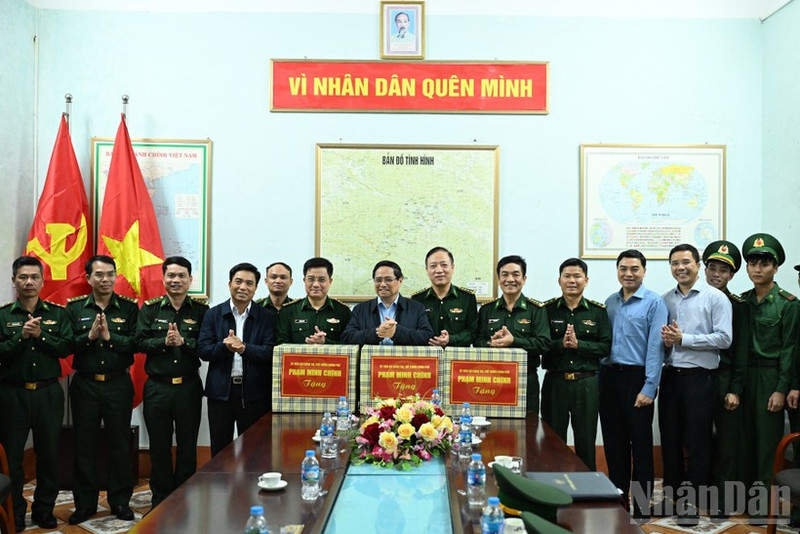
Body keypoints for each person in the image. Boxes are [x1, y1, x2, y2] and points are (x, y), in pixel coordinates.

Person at [659, 244, 732, 524]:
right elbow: (664, 342)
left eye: (686, 262)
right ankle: (673, 496)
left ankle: (695, 500)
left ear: (698, 265)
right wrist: (667, 343)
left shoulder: (715, 298)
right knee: (670, 438)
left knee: (698, 441)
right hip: (671, 378)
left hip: (700, 379)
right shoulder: (666, 300)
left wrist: (684, 339)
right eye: (675, 263)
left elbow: (724, 339)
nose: (681, 267)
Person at [66, 255, 139, 524]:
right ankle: (85, 504)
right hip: (85, 384)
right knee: (84, 443)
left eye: (110, 274)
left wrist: (110, 337)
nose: (105, 279)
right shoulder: (74, 308)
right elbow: (67, 344)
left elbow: (135, 342)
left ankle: (120, 501)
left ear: (116, 276)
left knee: (119, 443)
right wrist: (89, 337)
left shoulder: (129, 308)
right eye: (99, 274)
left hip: (118, 383)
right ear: (88, 278)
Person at [0, 256, 71, 531]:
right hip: (11, 394)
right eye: (23, 277)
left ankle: (44, 510)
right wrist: (21, 337)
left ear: (42, 280)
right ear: (14, 281)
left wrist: (40, 335)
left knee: (49, 455)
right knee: (13, 458)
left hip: (48, 393)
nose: (29, 282)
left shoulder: (57, 313)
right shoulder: (3, 315)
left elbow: (66, 348)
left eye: (34, 277)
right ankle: (15, 511)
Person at [599, 249, 667, 519]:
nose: (628, 273)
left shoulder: (654, 303)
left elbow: (656, 347)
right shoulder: (609, 302)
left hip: (637, 379)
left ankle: (640, 507)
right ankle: (619, 504)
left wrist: (650, 387)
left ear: (644, 271)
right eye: (623, 268)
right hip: (609, 377)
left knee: (640, 446)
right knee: (614, 446)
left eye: (634, 269)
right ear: (617, 271)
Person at [136, 256, 208, 508]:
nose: (176, 280)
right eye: (171, 276)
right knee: (159, 446)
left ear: (190, 279)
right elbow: (139, 342)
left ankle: (185, 498)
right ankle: (161, 500)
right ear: (163, 278)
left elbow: (206, 347)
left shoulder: (201, 311)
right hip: (158, 387)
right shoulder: (150, 309)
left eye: (181, 276)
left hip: (188, 386)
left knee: (187, 445)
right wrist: (163, 343)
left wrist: (184, 343)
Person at [738, 234, 799, 507]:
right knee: (744, 441)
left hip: (770, 378)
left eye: (764, 263)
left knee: (767, 446)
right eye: (752, 263)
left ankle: (763, 506)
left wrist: (780, 388)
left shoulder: (788, 304)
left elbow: (789, 350)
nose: (757, 269)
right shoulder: (742, 301)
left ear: (775, 268)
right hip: (744, 378)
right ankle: (745, 499)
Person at [198, 262, 277, 456]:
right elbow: (203, 350)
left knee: (254, 451)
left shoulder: (266, 317)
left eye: (249, 283)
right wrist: (224, 346)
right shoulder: (213, 314)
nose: (243, 287)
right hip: (221, 394)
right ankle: (222, 486)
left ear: (256, 288)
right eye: (238, 282)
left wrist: (244, 348)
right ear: (229, 284)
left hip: (254, 394)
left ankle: (250, 487)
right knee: (220, 449)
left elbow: (270, 353)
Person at [541, 258, 610, 470]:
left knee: (586, 441)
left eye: (577, 276)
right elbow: (540, 344)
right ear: (559, 280)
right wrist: (561, 344)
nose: (572, 280)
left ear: (586, 280)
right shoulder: (546, 310)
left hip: (586, 384)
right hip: (556, 383)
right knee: (553, 441)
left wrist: (579, 345)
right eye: (567, 276)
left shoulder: (597, 312)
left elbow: (606, 347)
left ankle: (586, 491)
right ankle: (554, 488)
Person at [702, 240, 749, 518]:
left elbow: (740, 350)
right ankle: (701, 492)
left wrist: (735, 389)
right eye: (712, 267)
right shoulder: (693, 297)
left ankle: (725, 500)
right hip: (697, 381)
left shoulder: (738, 306)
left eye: (723, 270)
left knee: (728, 444)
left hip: (725, 380)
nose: (716, 274)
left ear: (731, 275)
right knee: (699, 439)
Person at [476, 255, 550, 414]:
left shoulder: (536, 309)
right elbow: (477, 341)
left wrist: (514, 341)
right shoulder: (486, 310)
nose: (510, 279)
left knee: (527, 429)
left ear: (524, 279)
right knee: (492, 428)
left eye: (516, 274)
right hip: (491, 380)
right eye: (505, 274)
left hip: (525, 379)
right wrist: (491, 344)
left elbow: (544, 344)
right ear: (498, 278)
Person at [341, 260, 433, 345]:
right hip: (370, 361)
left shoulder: (416, 308)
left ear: (400, 280)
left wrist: (397, 332)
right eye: (378, 280)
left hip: (404, 361)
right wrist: (377, 333)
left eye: (388, 279)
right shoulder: (360, 309)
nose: (383, 284)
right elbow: (347, 337)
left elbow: (427, 337)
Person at [412, 246, 478, 347]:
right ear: (427, 270)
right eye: (433, 266)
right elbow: (414, 332)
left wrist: (451, 339)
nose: (439, 270)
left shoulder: (467, 298)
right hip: (427, 357)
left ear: (452, 267)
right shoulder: (417, 299)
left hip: (456, 358)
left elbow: (473, 332)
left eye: (444, 265)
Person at [276, 257, 351, 344]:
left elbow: (349, 344)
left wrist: (326, 342)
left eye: (322, 280)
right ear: (304, 280)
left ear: (330, 281)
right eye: (311, 279)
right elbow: (280, 345)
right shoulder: (288, 311)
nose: (316, 285)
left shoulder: (343, 311)